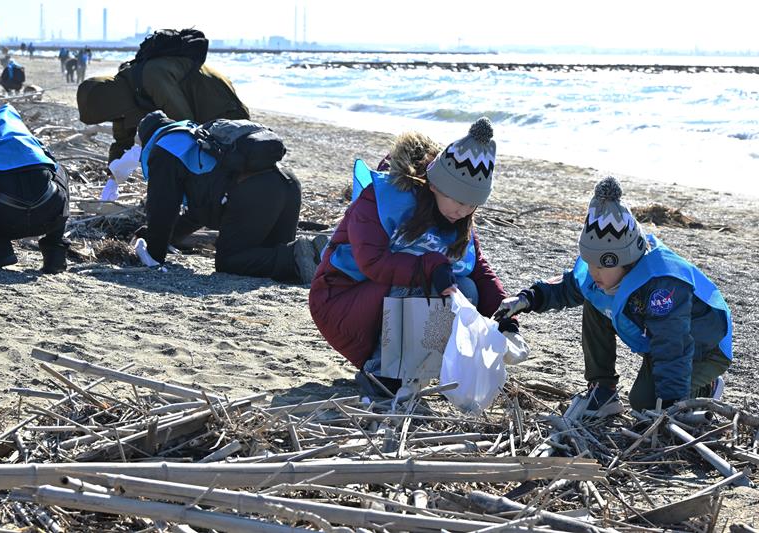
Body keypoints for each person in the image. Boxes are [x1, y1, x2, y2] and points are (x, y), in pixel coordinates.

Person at [309, 118, 520, 392]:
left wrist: (507, 320)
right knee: (429, 283)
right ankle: (382, 370)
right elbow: (372, 263)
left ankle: (417, 370)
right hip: (343, 296)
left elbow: (478, 270)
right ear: (434, 185)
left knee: (465, 287)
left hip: (387, 300)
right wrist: (430, 265)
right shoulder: (382, 199)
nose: (463, 211)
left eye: (472, 205)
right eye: (458, 200)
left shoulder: (457, 218)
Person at [496, 176, 733, 416]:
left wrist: (669, 408)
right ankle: (603, 389)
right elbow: (568, 287)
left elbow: (673, 348)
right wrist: (527, 298)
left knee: (646, 405)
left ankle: (705, 388)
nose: (593, 272)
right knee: (593, 299)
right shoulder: (599, 274)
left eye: (601, 267)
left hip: (705, 348)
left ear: (627, 262)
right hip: (659, 338)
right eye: (590, 264)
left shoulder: (661, 288)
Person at [132, 110, 325, 284]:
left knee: (230, 261)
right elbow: (199, 211)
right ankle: (325, 256)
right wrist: (167, 238)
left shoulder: (165, 149)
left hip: (257, 191)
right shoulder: (197, 139)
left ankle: (300, 254)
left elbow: (162, 207)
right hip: (288, 183)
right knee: (280, 257)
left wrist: (154, 253)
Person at [0, 99, 70, 273]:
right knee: (58, 170)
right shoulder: (7, 123)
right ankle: (55, 251)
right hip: (48, 214)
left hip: (0, 217)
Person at [76, 55, 249, 165]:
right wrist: (113, 174)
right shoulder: (124, 93)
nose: (115, 117)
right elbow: (122, 139)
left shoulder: (152, 78)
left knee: (235, 159)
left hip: (222, 106)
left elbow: (185, 125)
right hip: (200, 109)